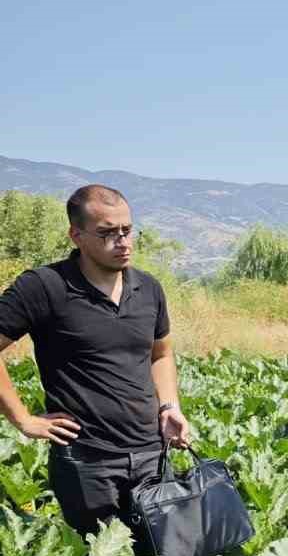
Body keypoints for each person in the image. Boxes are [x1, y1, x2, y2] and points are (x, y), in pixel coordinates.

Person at [0, 184, 190, 537]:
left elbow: (160, 353)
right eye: (106, 233)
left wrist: (169, 406)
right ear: (77, 236)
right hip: (87, 463)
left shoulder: (148, 288)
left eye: (127, 230)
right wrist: (23, 420)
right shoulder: (44, 287)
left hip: (151, 453)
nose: (122, 242)